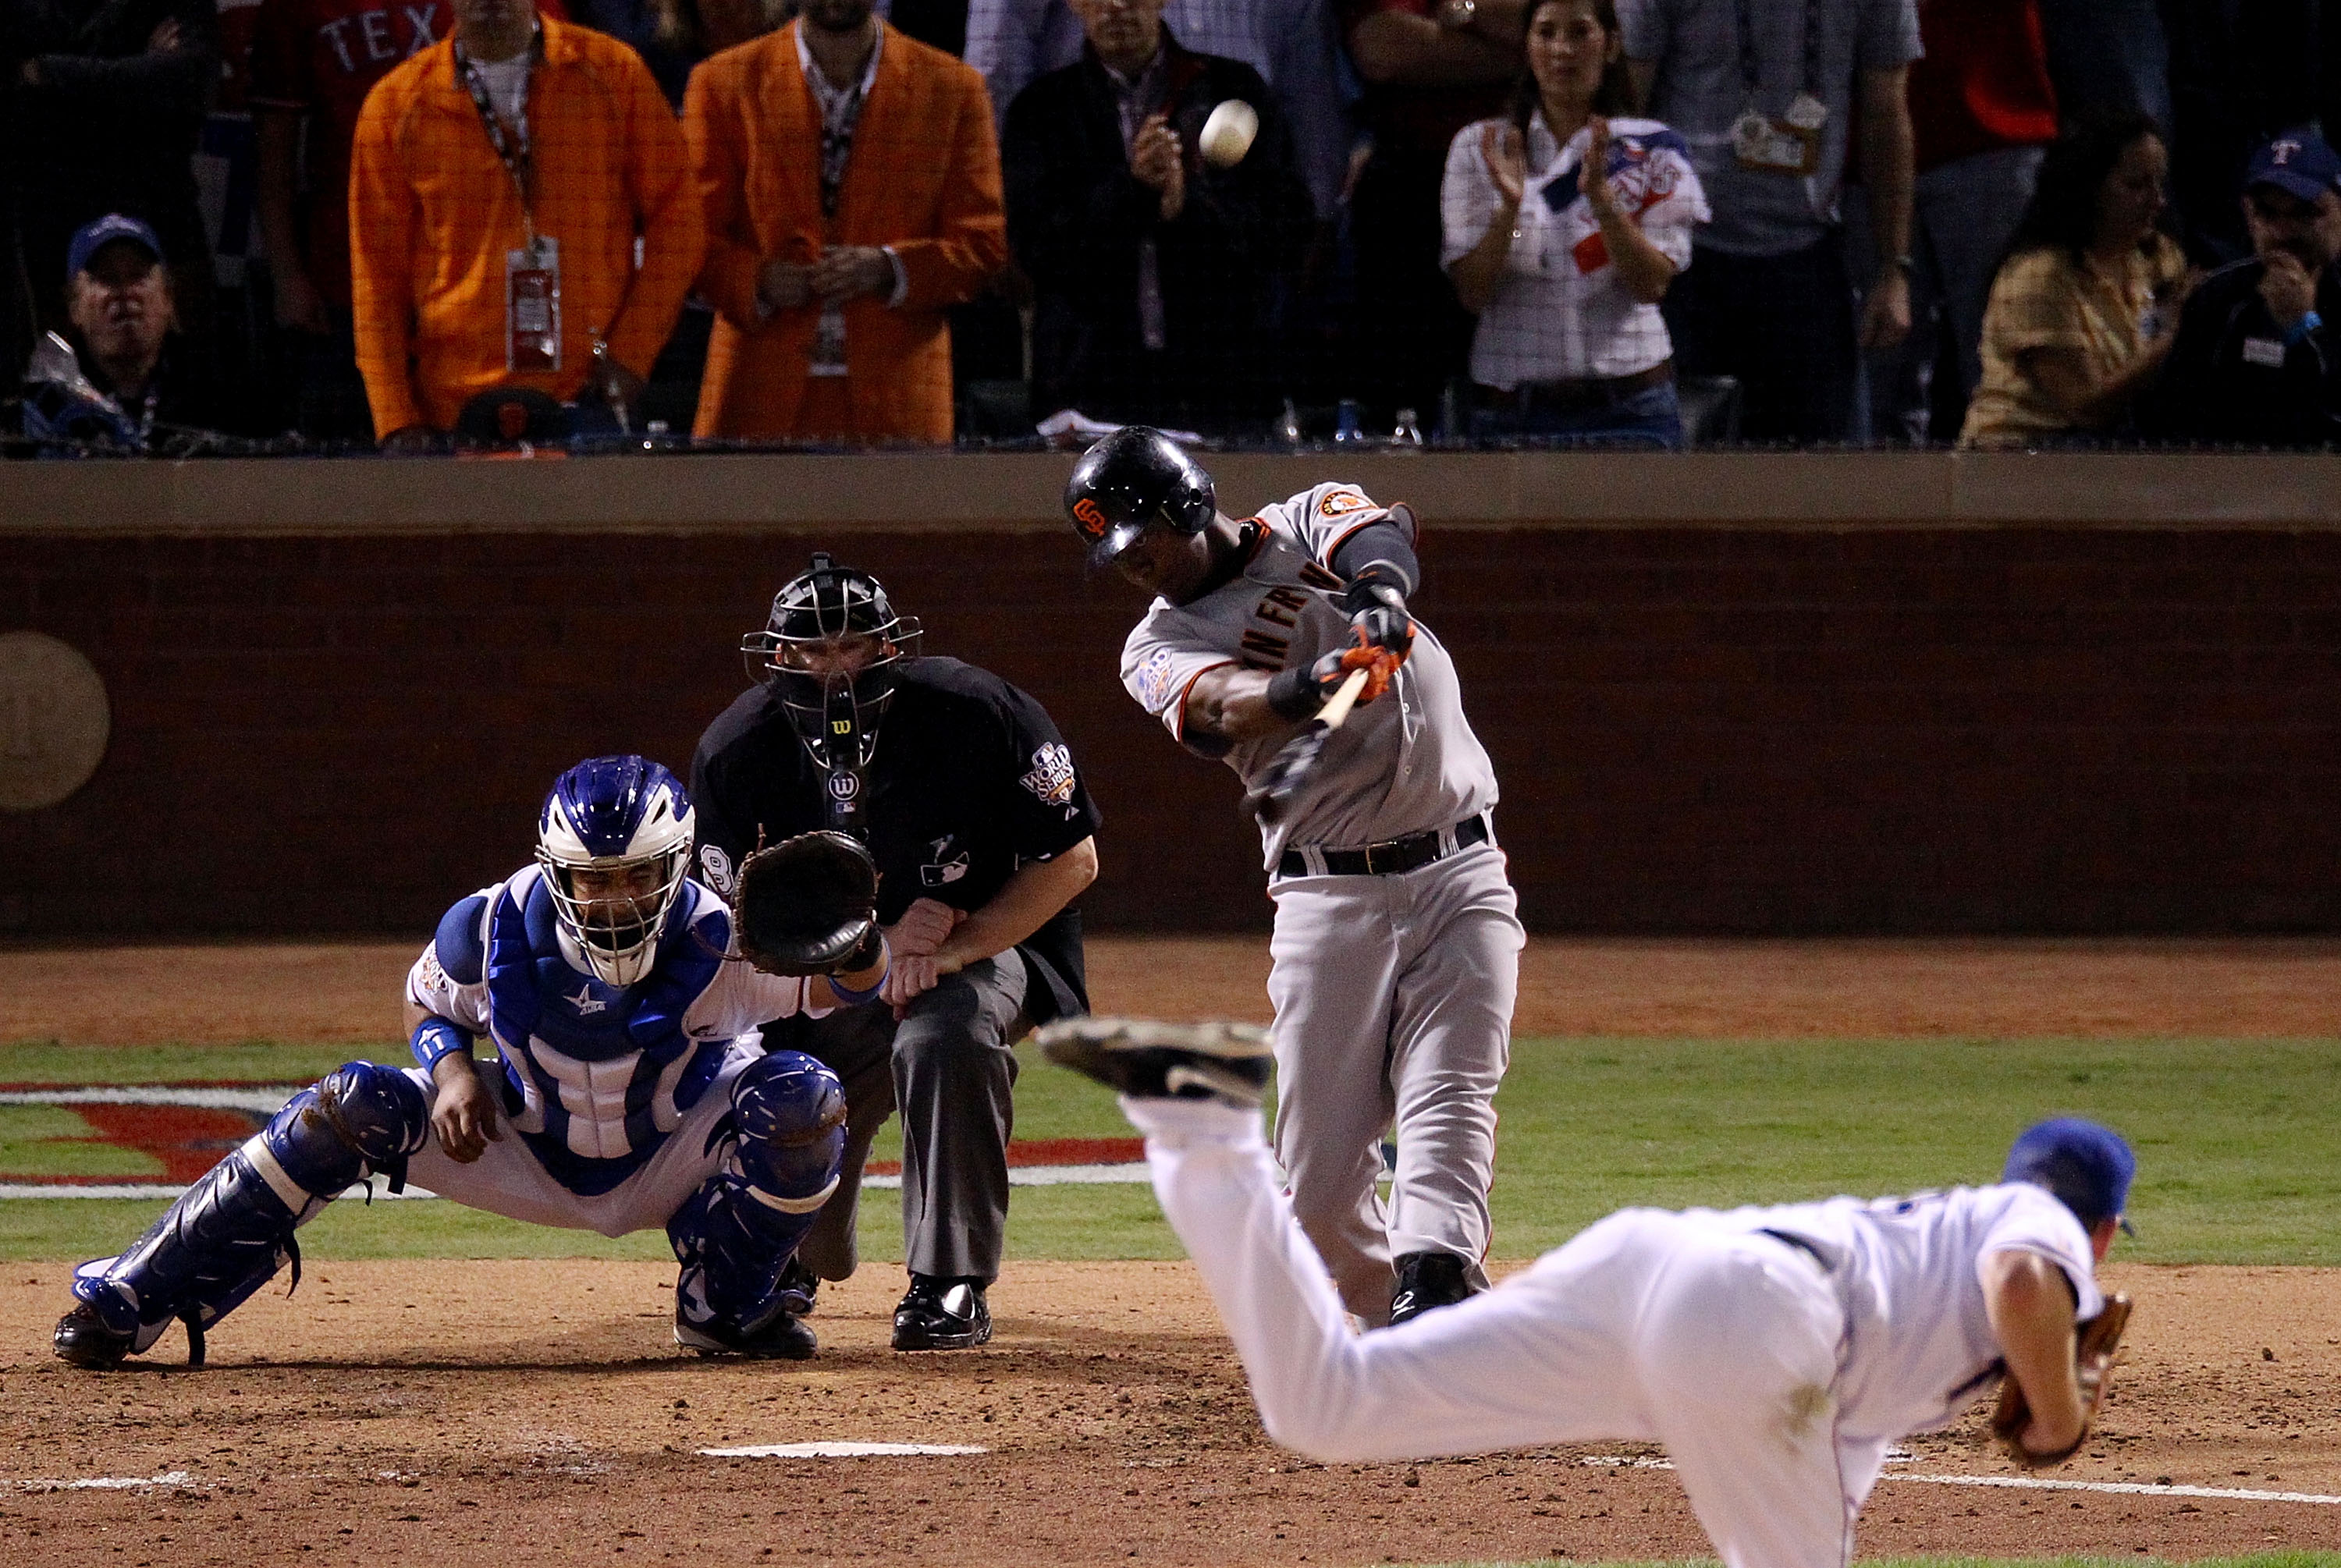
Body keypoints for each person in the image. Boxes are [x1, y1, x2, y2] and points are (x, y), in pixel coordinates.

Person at [1050, 1020, 2137, 1568]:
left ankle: (1199, 1123)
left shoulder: (1916, 1336)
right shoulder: (2035, 1227)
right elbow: (2022, 1275)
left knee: (1328, 1406)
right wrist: (2062, 1410)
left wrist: (2032, 1388)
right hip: (1759, 1314)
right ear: (2097, 1224)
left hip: (1669, 1270)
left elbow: (1818, 1486)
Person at [54, 756, 884, 1370]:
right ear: (555, 870)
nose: (613, 900)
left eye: (636, 878)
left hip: (673, 1144)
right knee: (352, 1103)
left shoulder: (725, 941)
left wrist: (863, 947)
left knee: (800, 1096)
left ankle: (726, 1309)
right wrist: (451, 1073)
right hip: (522, 1136)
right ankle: (134, 1296)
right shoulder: (489, 926)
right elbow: (427, 1001)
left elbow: (851, 993)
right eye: (592, 881)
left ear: (675, 868)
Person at [1064, 427, 1522, 1329]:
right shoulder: (1155, 644)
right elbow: (1220, 705)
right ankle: (1387, 1319)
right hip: (1328, 898)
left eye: (1145, 537)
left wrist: (1382, 600)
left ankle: (1440, 1295)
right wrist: (1312, 685)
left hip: (1461, 869)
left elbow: (1379, 539)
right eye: (1117, 551)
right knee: (1317, 1188)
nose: (1135, 564)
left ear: (1189, 505)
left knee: (1449, 1091)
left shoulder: (1304, 517)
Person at [691, 555, 1101, 1350]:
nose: (832, 670)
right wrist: (873, 948)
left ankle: (948, 1280)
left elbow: (1072, 858)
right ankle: (790, 1243)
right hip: (818, 973)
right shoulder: (737, 750)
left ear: (892, 648)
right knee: (759, 1054)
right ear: (775, 656)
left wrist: (957, 946)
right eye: (810, 652)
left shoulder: (979, 711)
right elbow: (725, 930)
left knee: (946, 1029)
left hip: (978, 948)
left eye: (852, 647)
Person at [347, 0, 704, 448]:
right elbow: (375, 276)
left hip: (590, 393)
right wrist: (395, 415)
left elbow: (680, 218)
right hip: (450, 407)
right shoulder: (395, 106)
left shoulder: (612, 73)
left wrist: (632, 352)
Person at [682, 0, 1007, 444]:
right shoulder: (720, 84)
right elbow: (691, 240)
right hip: (755, 399)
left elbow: (983, 245)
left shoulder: (954, 88)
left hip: (899, 409)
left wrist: (888, 268)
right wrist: (757, 281)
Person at [1003, 0, 1314, 437]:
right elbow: (1040, 251)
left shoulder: (1234, 90)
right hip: (1092, 392)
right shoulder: (1042, 111)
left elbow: (1286, 232)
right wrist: (1132, 191)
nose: (1115, 6)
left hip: (1227, 390)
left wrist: (1187, 207)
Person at [1619, 0, 1920, 445]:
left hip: (1808, 259)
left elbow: (1886, 114)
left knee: (1823, 485)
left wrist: (1894, 268)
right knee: (1675, 483)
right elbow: (1625, 110)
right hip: (1682, 260)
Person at [1440, 0, 1707, 446]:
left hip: (1632, 408)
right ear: (1527, 46)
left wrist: (1605, 204)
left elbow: (1652, 284)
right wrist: (1510, 209)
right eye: (1546, 33)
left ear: (1611, 45)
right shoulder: (1479, 147)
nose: (1562, 49)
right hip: (1512, 413)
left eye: (1580, 32)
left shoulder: (1654, 149)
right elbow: (1472, 292)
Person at [1848, 0, 2056, 445]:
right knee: (1878, 383)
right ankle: (1886, 513)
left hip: (1992, 126)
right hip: (1859, 141)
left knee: (2009, 382)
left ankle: (2018, 513)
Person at [968, 0, 1358, 228]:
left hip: (1243, 160)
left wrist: (1320, 211)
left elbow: (1309, 76)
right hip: (1085, 148)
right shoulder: (1044, 109)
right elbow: (998, 53)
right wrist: (997, 209)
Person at [0, 0, 222, 388]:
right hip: (48, 209)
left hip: (162, 200)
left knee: (200, 391)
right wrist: (139, 70)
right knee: (52, 396)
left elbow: (187, 79)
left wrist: (48, 71)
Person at [1958, 110, 2188, 449]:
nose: (2157, 201)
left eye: (2159, 183)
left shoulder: (2158, 259)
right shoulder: (2039, 275)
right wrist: (2170, 345)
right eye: (2136, 185)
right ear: (2090, 188)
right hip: (2021, 457)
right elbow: (2084, 407)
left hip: (2109, 449)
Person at [1340, 0, 1519, 429]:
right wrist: (1513, 51)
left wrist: (1459, 10)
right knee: (1400, 404)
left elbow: (1551, 24)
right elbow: (1384, 49)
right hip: (1405, 191)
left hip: (1511, 172)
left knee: (1510, 385)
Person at [2144, 128, 2341, 449]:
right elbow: (2170, 416)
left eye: (2305, 212)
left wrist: (2302, 328)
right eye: (2267, 212)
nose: (2282, 231)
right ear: (2249, 215)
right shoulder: (2219, 299)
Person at [19, 215, 229, 450]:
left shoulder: (219, 394)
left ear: (168, 298)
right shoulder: (45, 407)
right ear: (74, 306)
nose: (124, 292)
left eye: (138, 276)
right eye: (106, 279)